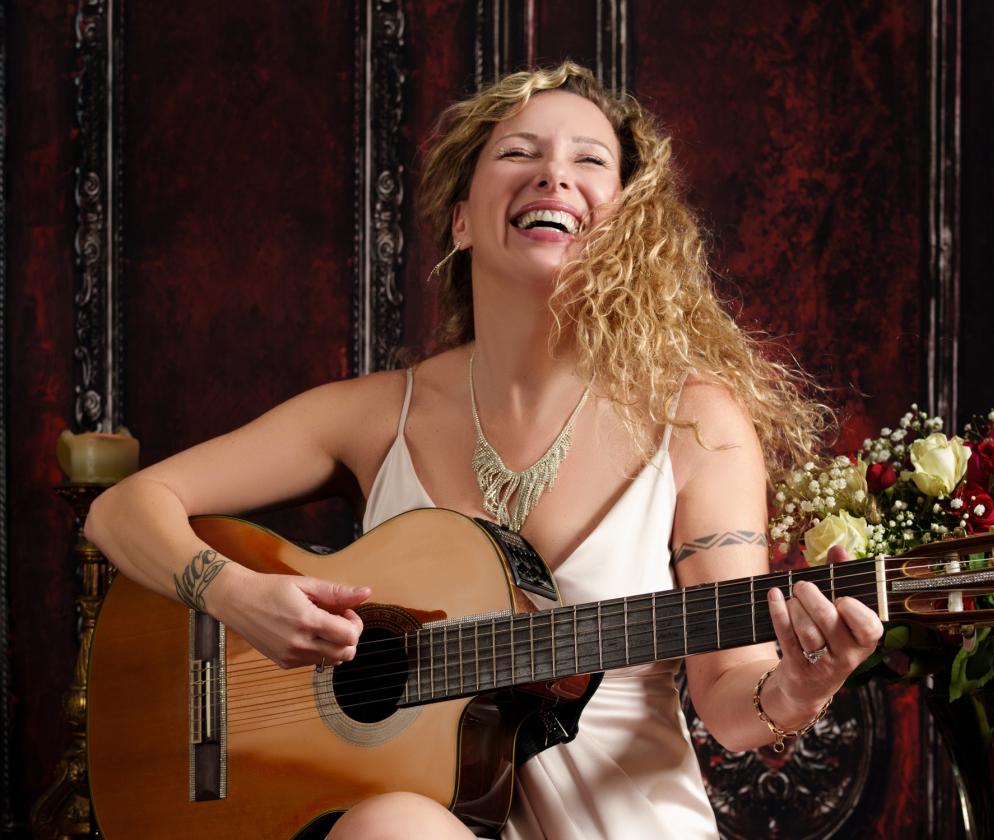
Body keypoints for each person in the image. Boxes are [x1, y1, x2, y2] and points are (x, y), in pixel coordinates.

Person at [84, 62, 884, 839]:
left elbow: (730, 696)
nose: (553, 174)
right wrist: (236, 596)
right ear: (462, 219)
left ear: (628, 225)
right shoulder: (376, 417)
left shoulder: (695, 422)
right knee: (391, 827)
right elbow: (122, 509)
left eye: (589, 160)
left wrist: (799, 689)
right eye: (519, 151)